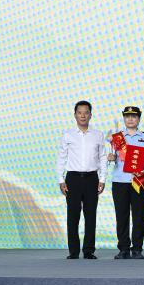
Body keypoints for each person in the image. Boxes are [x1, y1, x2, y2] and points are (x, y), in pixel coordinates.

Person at [56, 100, 107, 259]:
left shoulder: (98, 135)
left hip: (92, 178)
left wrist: (103, 178)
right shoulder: (68, 135)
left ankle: (89, 250)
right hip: (73, 179)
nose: (83, 115)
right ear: (75, 115)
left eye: (86, 112)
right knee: (73, 216)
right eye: (80, 112)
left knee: (91, 216)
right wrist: (61, 180)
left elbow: (103, 157)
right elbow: (61, 157)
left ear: (90, 115)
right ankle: (73, 251)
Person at [109, 106, 144, 259]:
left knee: (138, 216)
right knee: (121, 216)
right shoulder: (116, 137)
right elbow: (109, 156)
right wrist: (110, 158)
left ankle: (137, 249)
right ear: (124, 118)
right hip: (120, 181)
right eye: (127, 116)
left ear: (139, 119)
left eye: (134, 116)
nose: (130, 119)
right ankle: (123, 248)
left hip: (139, 181)